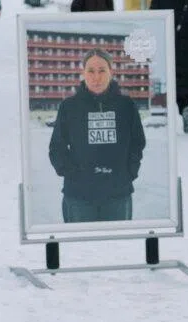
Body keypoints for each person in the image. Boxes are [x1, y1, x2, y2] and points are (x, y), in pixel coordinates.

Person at [47, 50, 146, 223]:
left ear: (111, 72)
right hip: (79, 197)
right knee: (80, 241)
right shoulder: (69, 107)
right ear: (83, 73)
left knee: (118, 241)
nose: (96, 77)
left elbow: (137, 143)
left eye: (102, 70)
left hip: (117, 195)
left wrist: (129, 172)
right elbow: (57, 147)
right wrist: (71, 174)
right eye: (91, 71)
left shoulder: (126, 106)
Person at [150, 0, 188, 132]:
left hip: (165, 43)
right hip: (187, 45)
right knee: (185, 80)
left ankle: (164, 117)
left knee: (165, 81)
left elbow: (153, 21)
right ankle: (186, 106)